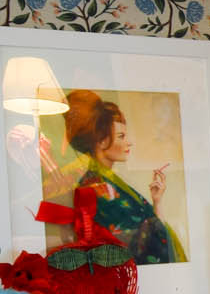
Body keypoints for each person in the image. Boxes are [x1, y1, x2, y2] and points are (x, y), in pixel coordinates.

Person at [57, 90, 186, 265]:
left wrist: (157, 201)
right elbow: (137, 245)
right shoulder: (97, 187)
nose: (129, 142)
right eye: (121, 136)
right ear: (101, 141)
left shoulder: (109, 182)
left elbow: (150, 233)